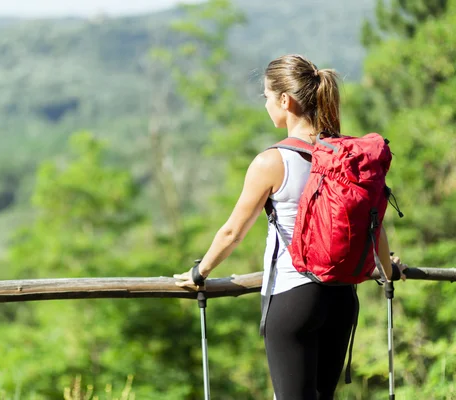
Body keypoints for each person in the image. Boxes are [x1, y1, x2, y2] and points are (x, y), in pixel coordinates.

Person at [173, 54, 407, 400]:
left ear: (285, 101)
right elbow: (375, 225)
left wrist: (199, 272)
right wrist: (387, 271)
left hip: (293, 297)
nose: (266, 104)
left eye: (267, 97)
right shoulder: (348, 158)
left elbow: (232, 233)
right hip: (343, 297)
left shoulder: (272, 160)